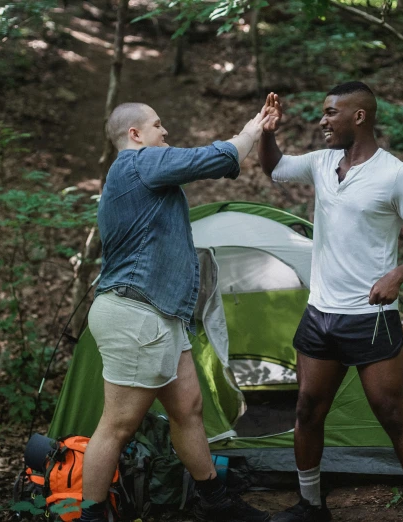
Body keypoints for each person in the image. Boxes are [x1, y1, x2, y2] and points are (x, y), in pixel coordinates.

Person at [258, 83, 403, 522]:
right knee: (307, 408)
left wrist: (397, 276)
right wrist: (268, 132)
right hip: (320, 314)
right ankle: (310, 506)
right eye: (323, 114)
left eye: (330, 113)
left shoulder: (395, 175)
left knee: (392, 413)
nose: (322, 121)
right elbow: (276, 168)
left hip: (371, 319)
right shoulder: (323, 164)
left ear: (358, 117)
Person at [79, 102, 270, 522]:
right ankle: (91, 516)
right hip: (136, 313)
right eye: (158, 124)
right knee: (118, 425)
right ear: (134, 134)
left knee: (187, 408)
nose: (165, 131)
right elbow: (216, 158)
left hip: (160, 315)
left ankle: (214, 503)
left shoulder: (140, 175)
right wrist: (253, 129)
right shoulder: (137, 163)